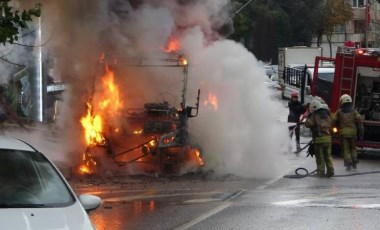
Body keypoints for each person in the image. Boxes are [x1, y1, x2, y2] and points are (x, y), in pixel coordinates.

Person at [331, 94, 364, 171]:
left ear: (342, 102)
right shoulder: (354, 111)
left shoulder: (339, 112)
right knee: (353, 148)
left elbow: (333, 121)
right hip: (353, 133)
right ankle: (355, 163)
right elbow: (360, 121)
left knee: (346, 149)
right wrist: (361, 133)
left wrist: (330, 130)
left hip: (343, 133)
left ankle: (348, 164)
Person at [304, 100, 334, 178]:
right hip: (328, 138)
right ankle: (331, 171)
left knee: (320, 157)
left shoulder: (315, 115)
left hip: (319, 139)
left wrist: (308, 116)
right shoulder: (327, 114)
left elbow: (308, 124)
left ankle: (320, 173)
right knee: (328, 156)